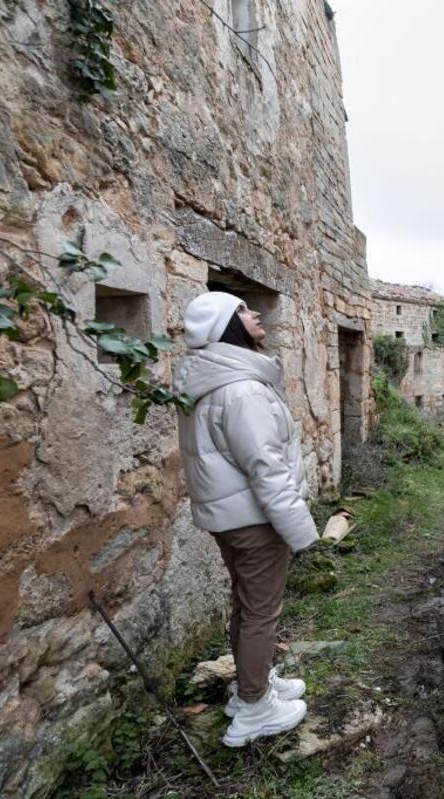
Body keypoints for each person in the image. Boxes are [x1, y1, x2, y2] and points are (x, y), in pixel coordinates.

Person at [173, 291, 318, 747]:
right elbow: (266, 466)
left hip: (228, 516)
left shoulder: (213, 381)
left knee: (246, 605)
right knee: (262, 612)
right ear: (225, 327)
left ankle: (252, 687)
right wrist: (301, 532)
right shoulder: (241, 389)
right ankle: (255, 709)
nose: (254, 313)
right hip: (255, 520)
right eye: (241, 309)